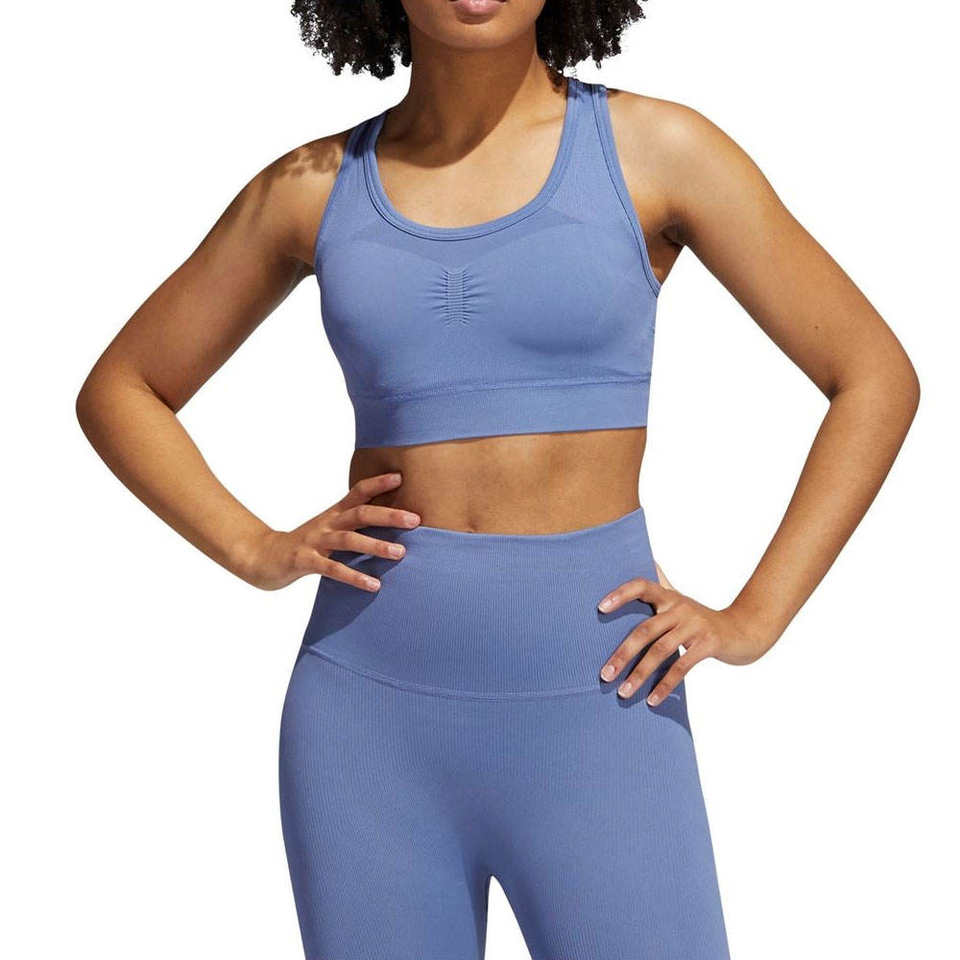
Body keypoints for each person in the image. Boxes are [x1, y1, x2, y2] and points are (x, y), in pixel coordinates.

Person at [75, 2, 920, 958]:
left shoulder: (658, 150)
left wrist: (757, 617)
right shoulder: (310, 188)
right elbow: (123, 388)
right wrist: (254, 548)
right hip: (367, 717)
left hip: (604, 695)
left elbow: (872, 375)